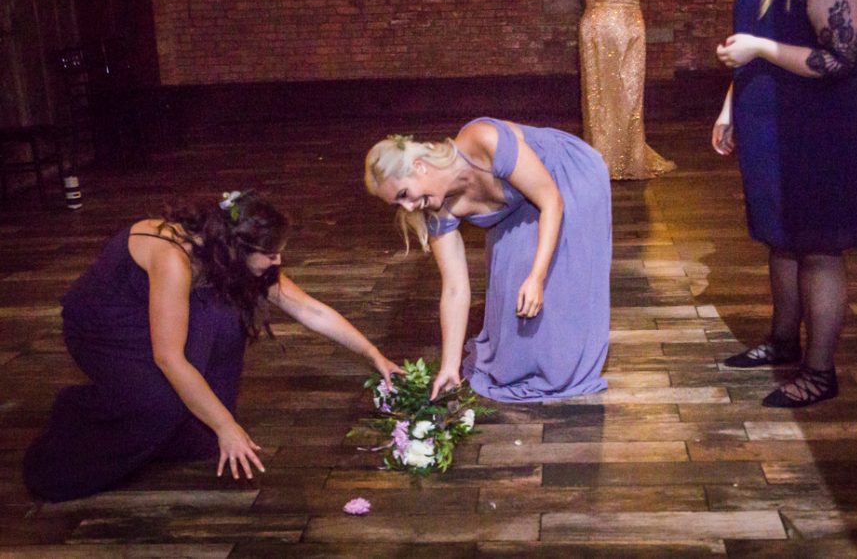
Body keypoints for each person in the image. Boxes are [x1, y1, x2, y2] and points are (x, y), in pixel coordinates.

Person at [23, 191, 401, 502]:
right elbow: (169, 358)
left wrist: (374, 355)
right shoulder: (174, 258)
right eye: (271, 255)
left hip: (157, 312)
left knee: (201, 425)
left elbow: (307, 308)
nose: (278, 261)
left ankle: (158, 419)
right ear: (238, 248)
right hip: (106, 326)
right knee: (161, 405)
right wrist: (225, 425)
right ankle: (79, 418)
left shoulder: (229, 250)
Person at [712, 0, 857, 407]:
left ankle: (819, 371)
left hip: (819, 130)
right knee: (781, 239)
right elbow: (753, 44)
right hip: (770, 124)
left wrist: (760, 49)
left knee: (819, 249)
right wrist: (730, 108)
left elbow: (842, 60)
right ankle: (783, 340)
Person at [365, 118, 610, 402]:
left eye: (404, 194)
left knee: (551, 294)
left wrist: (537, 277)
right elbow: (455, 288)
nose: (408, 207)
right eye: (398, 203)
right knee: (513, 336)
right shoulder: (438, 211)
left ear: (419, 166)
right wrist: (449, 367)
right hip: (518, 207)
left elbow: (551, 200)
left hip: (566, 175)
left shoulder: (482, 141)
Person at [520, 0, 678, 180]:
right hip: (595, 35)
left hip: (630, 34)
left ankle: (629, 159)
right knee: (599, 99)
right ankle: (601, 159)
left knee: (628, 97)